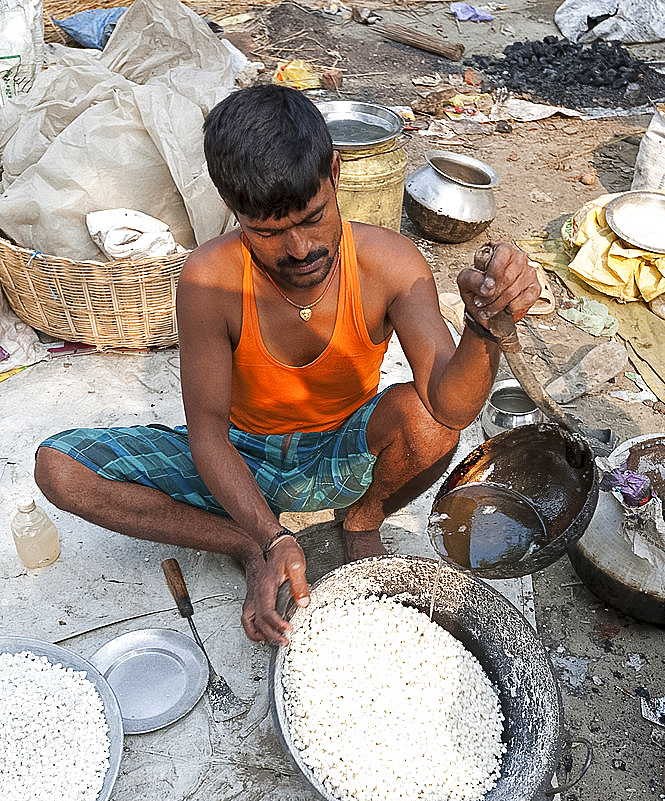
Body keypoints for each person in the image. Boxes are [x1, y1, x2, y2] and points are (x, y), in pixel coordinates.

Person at [35, 85, 540, 647]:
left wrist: (484, 325)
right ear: (234, 211)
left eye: (313, 217)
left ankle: (363, 519)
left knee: (424, 418)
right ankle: (243, 542)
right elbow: (207, 438)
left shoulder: (390, 263)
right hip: (241, 455)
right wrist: (269, 538)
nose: (299, 249)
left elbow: (453, 405)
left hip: (341, 451)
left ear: (335, 171)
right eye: (268, 232)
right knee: (59, 469)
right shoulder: (209, 279)